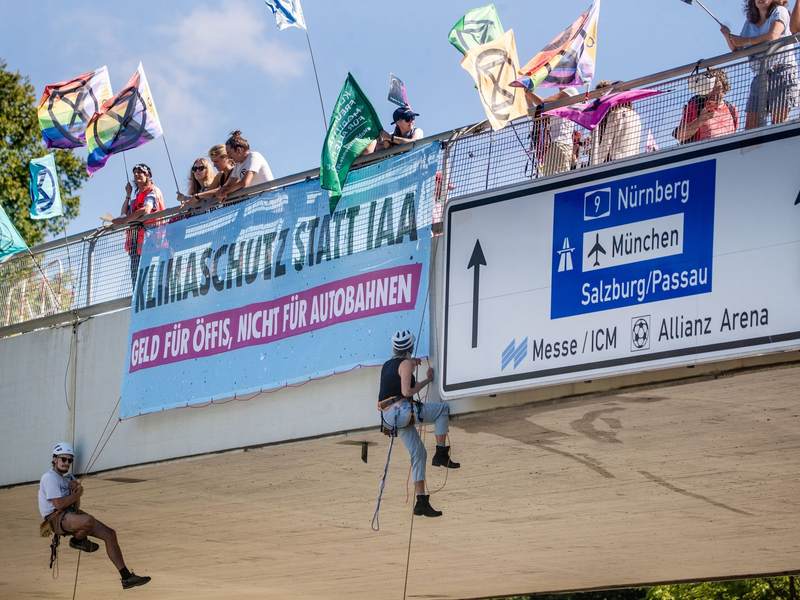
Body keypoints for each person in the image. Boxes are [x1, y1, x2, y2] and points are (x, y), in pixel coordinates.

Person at [39, 442, 151, 589]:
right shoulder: (49, 477)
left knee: (110, 534)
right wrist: (79, 492)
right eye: (63, 459)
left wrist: (76, 493)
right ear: (55, 459)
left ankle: (126, 577)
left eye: (69, 460)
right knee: (88, 520)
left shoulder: (68, 479)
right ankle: (77, 541)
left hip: (71, 514)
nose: (66, 463)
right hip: (57, 518)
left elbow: (76, 506)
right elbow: (59, 505)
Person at [377, 330, 460, 518]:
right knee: (441, 410)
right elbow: (407, 391)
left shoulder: (387, 365)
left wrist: (411, 368)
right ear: (411, 347)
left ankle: (421, 501)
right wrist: (427, 380)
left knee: (419, 453)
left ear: (394, 348)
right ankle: (440, 453)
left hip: (390, 416)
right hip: (400, 411)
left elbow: (396, 381)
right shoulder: (406, 364)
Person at [721, 0, 799, 129]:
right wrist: (727, 36)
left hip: (781, 71)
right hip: (760, 76)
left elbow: (773, 35)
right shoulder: (750, 21)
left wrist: (745, 41)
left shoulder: (779, 11)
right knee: (751, 128)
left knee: (778, 124)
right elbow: (739, 48)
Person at [112, 164, 164, 286]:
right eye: (135, 173)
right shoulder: (137, 197)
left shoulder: (152, 191)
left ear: (148, 175)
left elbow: (146, 209)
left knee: (149, 279)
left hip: (151, 241)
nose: (136, 174)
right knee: (137, 283)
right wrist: (128, 195)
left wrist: (125, 220)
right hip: (137, 244)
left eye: (140, 172)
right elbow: (123, 214)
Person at [673, 68, 739, 144]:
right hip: (703, 154)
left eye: (717, 88)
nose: (714, 93)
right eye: (711, 89)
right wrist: (700, 120)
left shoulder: (732, 109)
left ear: (724, 89)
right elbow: (680, 136)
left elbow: (735, 136)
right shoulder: (696, 104)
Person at [525, 87, 580, 176]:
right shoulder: (556, 105)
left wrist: (526, 90)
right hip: (552, 147)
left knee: (557, 179)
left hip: (561, 144)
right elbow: (536, 118)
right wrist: (528, 97)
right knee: (549, 178)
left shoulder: (571, 91)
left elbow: (542, 102)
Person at [589, 80, 643, 165]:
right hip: (631, 160)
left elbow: (606, 143)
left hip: (614, 160)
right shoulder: (636, 116)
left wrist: (595, 164)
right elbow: (637, 144)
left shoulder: (615, 114)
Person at [216, 131, 274, 202]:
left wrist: (227, 191)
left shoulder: (254, 156)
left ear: (238, 150)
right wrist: (221, 191)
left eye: (229, 153)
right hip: (258, 202)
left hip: (272, 200)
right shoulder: (237, 164)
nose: (228, 157)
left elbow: (245, 183)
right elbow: (229, 184)